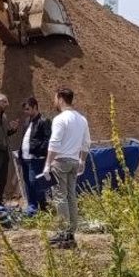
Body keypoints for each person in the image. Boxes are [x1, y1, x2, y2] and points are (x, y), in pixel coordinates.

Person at [42, 87, 91, 248]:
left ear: (61, 98)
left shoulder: (60, 119)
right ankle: (70, 233)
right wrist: (82, 161)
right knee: (71, 196)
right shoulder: (81, 119)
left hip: (61, 162)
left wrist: (48, 164)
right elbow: (86, 143)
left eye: (55, 98)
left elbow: (54, 142)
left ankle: (63, 233)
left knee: (60, 197)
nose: (54, 101)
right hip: (74, 162)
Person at [19, 97, 52, 214]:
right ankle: (32, 207)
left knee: (36, 183)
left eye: (28, 109)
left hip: (36, 159)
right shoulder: (27, 122)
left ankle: (43, 207)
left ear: (35, 107)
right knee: (28, 183)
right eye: (25, 110)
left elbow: (48, 140)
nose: (26, 112)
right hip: (25, 159)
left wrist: (38, 152)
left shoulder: (44, 121)